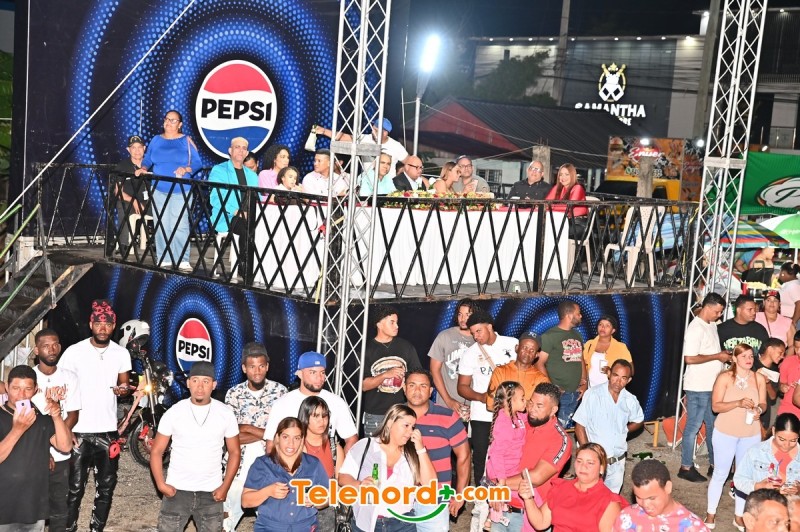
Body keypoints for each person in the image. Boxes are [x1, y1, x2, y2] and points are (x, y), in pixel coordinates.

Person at [59, 299, 131, 532]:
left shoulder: (121, 353)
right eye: (98, 323)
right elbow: (61, 386)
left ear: (113, 326)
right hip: (78, 430)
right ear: (91, 324)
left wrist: (123, 389)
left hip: (107, 431)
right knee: (74, 488)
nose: (103, 328)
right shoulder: (74, 352)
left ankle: (96, 529)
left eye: (107, 324)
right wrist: (65, 427)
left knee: (106, 488)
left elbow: (124, 383)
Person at [150, 361, 241, 532]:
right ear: (188, 383)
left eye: (206, 381)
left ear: (214, 385)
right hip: (177, 490)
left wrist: (225, 487)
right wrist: (161, 485)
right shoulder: (174, 412)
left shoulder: (225, 413)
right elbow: (156, 451)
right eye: (195, 380)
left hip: (211, 492)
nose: (200, 387)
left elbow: (235, 452)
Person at [338, 404, 436, 531]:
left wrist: (421, 449)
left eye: (413, 427)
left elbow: (430, 484)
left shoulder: (412, 453)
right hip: (366, 523)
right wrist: (359, 485)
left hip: (403, 524)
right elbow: (343, 477)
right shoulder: (366, 446)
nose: (410, 432)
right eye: (406, 425)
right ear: (390, 423)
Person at [222, 342, 287, 532]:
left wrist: (247, 428)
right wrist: (268, 433)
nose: (257, 371)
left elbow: (283, 435)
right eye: (252, 367)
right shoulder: (234, 394)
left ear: (267, 366)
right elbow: (231, 437)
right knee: (226, 519)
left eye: (261, 366)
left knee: (273, 522)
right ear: (244, 368)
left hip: (270, 464)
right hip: (238, 465)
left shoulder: (280, 392)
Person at [491, 382, 573, 530]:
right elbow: (497, 452)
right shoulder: (520, 423)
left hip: (530, 515)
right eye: (531, 403)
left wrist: (497, 485)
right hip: (502, 507)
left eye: (539, 406)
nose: (532, 409)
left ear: (553, 410)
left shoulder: (560, 439)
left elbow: (535, 478)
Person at [0, 365, 72, 532]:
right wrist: (18, 429)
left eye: (27, 389)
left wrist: (57, 417)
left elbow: (65, 446)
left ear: (35, 390)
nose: (21, 395)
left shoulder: (42, 418)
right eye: (16, 388)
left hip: (33, 506)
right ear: (7, 388)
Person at [705, 343, 768, 529]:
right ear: (734, 358)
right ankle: (710, 514)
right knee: (720, 474)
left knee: (743, 476)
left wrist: (759, 410)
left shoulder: (758, 378)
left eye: (751, 356)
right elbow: (715, 406)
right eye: (744, 356)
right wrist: (738, 403)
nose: (749, 359)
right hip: (725, 432)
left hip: (750, 434)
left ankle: (739, 516)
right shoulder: (724, 377)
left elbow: (764, 403)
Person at [403, 369, 471, 531]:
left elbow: (464, 456)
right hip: (400, 500)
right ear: (404, 389)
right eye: (412, 385)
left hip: (436, 500)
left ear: (431, 391)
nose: (417, 390)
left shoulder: (447, 417)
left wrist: (460, 494)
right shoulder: (394, 416)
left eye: (423, 386)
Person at [457, 309, 518, 485]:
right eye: (473, 333)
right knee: (481, 458)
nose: (476, 336)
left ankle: (507, 495)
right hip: (482, 415)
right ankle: (481, 497)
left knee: (510, 455)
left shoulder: (512, 344)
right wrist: (481, 397)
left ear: (490, 327)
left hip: (511, 412)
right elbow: (462, 387)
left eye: (479, 331)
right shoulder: (470, 353)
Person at [137, 110, 201, 270]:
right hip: (158, 189)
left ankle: (182, 259)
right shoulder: (156, 140)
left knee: (179, 224)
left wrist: (186, 169)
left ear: (180, 124)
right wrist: (143, 168)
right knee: (161, 224)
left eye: (173, 120)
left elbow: (197, 163)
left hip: (181, 189)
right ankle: (164, 257)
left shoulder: (186, 141)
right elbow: (148, 158)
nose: (169, 122)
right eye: (166, 119)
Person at [31, 329, 81, 532]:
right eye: (45, 346)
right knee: (33, 508)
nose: (51, 350)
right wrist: (44, 450)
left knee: (59, 509)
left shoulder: (70, 377)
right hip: (33, 454)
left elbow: (73, 414)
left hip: (61, 455)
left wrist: (60, 439)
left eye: (55, 345)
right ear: (36, 350)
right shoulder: (28, 379)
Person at [242, 417, 329, 532]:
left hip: (305, 527)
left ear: (302, 439)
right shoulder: (262, 464)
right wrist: (268, 491)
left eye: (296, 438)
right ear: (277, 438)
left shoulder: (313, 464)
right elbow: (245, 501)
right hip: (270, 528)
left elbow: (328, 497)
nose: (291, 443)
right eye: (285, 437)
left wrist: (317, 500)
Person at [679, 291, 730, 483]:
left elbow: (709, 352)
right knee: (693, 426)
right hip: (698, 386)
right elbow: (690, 358)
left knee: (713, 426)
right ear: (707, 307)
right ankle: (685, 466)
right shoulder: (696, 328)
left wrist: (721, 355)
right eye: (717, 311)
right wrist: (717, 356)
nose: (720, 315)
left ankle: (715, 465)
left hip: (711, 386)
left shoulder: (711, 325)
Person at [263, 351, 358, 454]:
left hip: (325, 461)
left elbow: (351, 439)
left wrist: (343, 463)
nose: (319, 378)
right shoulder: (282, 403)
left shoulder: (336, 402)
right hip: (292, 461)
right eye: (313, 372)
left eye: (322, 372)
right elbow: (271, 444)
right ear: (300, 374)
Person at [573, 359, 644, 494]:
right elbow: (579, 426)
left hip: (617, 462)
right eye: (616, 375)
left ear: (628, 380)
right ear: (609, 373)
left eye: (623, 378)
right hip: (595, 462)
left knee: (611, 500)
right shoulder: (593, 394)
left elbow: (639, 420)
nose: (618, 381)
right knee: (589, 498)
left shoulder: (630, 400)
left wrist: (624, 430)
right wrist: (588, 455)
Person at [517, 443, 624, 532]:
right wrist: (528, 498)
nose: (583, 466)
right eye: (579, 461)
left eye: (590, 463)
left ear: (601, 468)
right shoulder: (561, 488)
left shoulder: (609, 502)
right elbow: (540, 523)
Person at [361, 305, 422, 436]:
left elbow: (418, 376)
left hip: (402, 412)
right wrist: (385, 375)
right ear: (379, 324)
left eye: (397, 322)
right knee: (375, 448)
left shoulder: (406, 347)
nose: (397, 326)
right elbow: (363, 385)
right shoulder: (366, 349)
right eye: (392, 322)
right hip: (375, 414)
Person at [208, 137, 260, 277]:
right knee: (246, 228)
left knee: (265, 228)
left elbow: (258, 198)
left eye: (244, 148)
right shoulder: (219, 170)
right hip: (227, 215)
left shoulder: (252, 175)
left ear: (247, 153)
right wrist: (237, 211)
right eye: (237, 147)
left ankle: (261, 266)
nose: (241, 150)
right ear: (230, 151)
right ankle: (246, 267)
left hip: (249, 214)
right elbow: (215, 198)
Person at [613, 459, 709, 531]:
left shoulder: (692, 527)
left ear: (668, 487)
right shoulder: (626, 517)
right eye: (639, 497)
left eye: (651, 498)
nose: (645, 505)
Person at [735, 413, 800, 516]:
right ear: (773, 431)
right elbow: (739, 480)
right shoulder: (756, 452)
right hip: (762, 512)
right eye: (782, 439)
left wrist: (798, 490)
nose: (787, 445)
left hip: (792, 514)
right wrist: (758, 486)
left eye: (793, 440)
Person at [536, 299, 587, 429]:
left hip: (576, 393)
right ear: (569, 315)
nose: (581, 316)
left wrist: (584, 382)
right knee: (555, 430)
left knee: (567, 430)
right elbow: (539, 363)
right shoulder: (549, 336)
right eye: (578, 313)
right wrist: (552, 388)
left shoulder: (577, 334)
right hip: (560, 394)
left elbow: (581, 359)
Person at [484, 381, 528, 528]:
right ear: (511, 401)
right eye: (522, 398)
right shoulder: (504, 423)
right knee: (503, 500)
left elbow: (527, 421)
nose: (525, 401)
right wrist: (501, 481)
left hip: (513, 467)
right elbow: (497, 454)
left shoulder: (518, 416)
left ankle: (494, 517)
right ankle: (492, 518)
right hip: (503, 471)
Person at [297, 396, 342, 531]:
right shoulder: (296, 447)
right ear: (305, 417)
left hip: (328, 514)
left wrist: (326, 500)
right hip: (299, 512)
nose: (321, 421)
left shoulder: (335, 448)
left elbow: (340, 485)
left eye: (324, 416)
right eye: (315, 416)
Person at [315, 118, 408, 180]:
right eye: (373, 128)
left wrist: (401, 173)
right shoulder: (364, 139)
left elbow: (409, 162)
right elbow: (343, 137)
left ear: (385, 133)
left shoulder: (396, 146)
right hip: (367, 185)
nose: (372, 132)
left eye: (376, 130)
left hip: (387, 187)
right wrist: (323, 131)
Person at [427, 298, 476, 413]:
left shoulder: (480, 339)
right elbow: (434, 371)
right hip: (446, 405)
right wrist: (448, 400)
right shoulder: (445, 336)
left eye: (467, 315)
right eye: (460, 314)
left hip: (474, 407)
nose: (463, 319)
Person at [486, 332, 549, 410]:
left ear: (536, 355)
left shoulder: (541, 379)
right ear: (517, 348)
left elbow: (541, 409)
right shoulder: (500, 372)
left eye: (532, 350)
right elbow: (490, 404)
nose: (527, 352)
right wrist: (524, 405)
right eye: (525, 348)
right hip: (503, 418)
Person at [111, 135, 148, 256]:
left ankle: (157, 242)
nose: (137, 151)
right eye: (133, 147)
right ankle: (124, 244)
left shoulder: (150, 164)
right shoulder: (122, 166)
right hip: (129, 200)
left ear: (144, 148)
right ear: (128, 150)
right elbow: (118, 192)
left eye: (140, 147)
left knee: (165, 207)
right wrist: (134, 201)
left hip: (148, 201)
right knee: (123, 205)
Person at [583, 314, 633, 388]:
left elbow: (631, 371)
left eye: (607, 326)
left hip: (611, 389)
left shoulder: (621, 347)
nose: (603, 327)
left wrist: (612, 371)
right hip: (591, 388)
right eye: (600, 324)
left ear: (613, 330)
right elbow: (582, 365)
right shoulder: (589, 344)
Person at [545, 163, 588, 240]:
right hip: (562, 221)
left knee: (549, 230)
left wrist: (551, 207)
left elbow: (569, 207)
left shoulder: (577, 188)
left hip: (577, 224)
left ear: (572, 175)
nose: (563, 177)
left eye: (567, 174)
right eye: (561, 174)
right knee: (541, 227)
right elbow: (546, 203)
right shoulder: (557, 188)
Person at [754, 338, 787, 430]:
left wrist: (767, 384)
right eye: (780, 352)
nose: (782, 356)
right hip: (748, 407)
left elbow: (773, 398)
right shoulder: (752, 363)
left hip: (764, 412)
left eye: (783, 354)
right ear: (769, 349)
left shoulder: (775, 371)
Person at [756, 290, 795, 356]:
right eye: (768, 300)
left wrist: (785, 361)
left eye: (775, 300)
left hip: (779, 360)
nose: (772, 303)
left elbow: (792, 346)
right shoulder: (755, 317)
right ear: (764, 302)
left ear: (779, 304)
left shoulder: (787, 322)